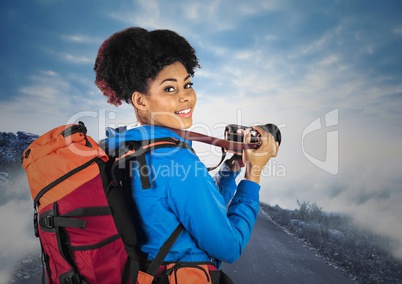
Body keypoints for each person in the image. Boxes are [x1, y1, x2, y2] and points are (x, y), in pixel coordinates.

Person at [94, 27, 279, 283]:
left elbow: (187, 208)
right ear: (140, 100)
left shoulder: (125, 146)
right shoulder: (175, 159)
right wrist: (254, 174)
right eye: (170, 89)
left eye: (188, 84)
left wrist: (230, 171)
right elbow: (229, 247)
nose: (186, 97)